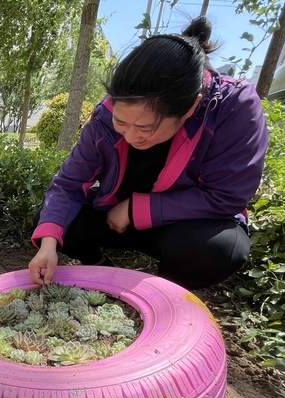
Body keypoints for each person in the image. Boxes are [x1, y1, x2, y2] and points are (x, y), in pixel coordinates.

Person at [28, 17, 268, 291]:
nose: (129, 136)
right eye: (122, 123)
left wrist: (136, 209)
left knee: (219, 249)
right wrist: (48, 245)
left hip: (184, 225)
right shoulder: (106, 115)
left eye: (145, 128)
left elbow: (227, 195)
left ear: (190, 108)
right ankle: (99, 265)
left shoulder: (233, 106)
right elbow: (68, 183)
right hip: (114, 217)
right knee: (51, 222)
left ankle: (165, 292)